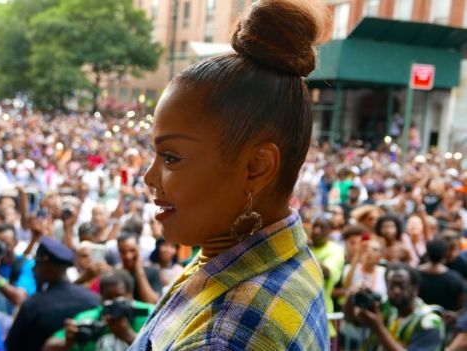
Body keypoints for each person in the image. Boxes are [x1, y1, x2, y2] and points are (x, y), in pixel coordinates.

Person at [131, 0, 331, 348]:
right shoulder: (243, 254)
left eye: (172, 157)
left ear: (256, 167)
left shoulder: (223, 338)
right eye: (156, 153)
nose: (149, 177)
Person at [5, 237, 100, 351]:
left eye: (37, 263)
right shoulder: (94, 299)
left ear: (50, 269)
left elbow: (12, 346)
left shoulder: (33, 306)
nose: (33, 268)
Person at [44, 270, 155, 351]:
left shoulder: (149, 314)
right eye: (108, 297)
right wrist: (66, 343)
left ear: (130, 295)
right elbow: (48, 347)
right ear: (101, 297)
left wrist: (127, 335)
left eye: (119, 296)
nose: (113, 302)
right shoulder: (87, 318)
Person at [344, 263, 445, 351]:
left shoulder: (429, 322)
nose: (396, 291)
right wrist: (351, 296)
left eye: (402, 285)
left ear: (415, 289)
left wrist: (378, 328)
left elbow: (377, 327)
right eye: (392, 286)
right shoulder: (386, 308)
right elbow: (350, 318)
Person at [0, 223, 36, 314]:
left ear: (15, 242)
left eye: (6, 244)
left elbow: (20, 299)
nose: (2, 248)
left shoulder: (25, 265)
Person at [417, 239, 465, 312]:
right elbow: (461, 303)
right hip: (446, 319)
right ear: (445, 254)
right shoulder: (454, 279)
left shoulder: (415, 274)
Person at [117, 233, 162, 304]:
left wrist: (139, 270)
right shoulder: (115, 274)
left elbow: (152, 302)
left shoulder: (152, 272)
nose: (128, 256)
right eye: (123, 252)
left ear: (139, 249)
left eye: (132, 250)